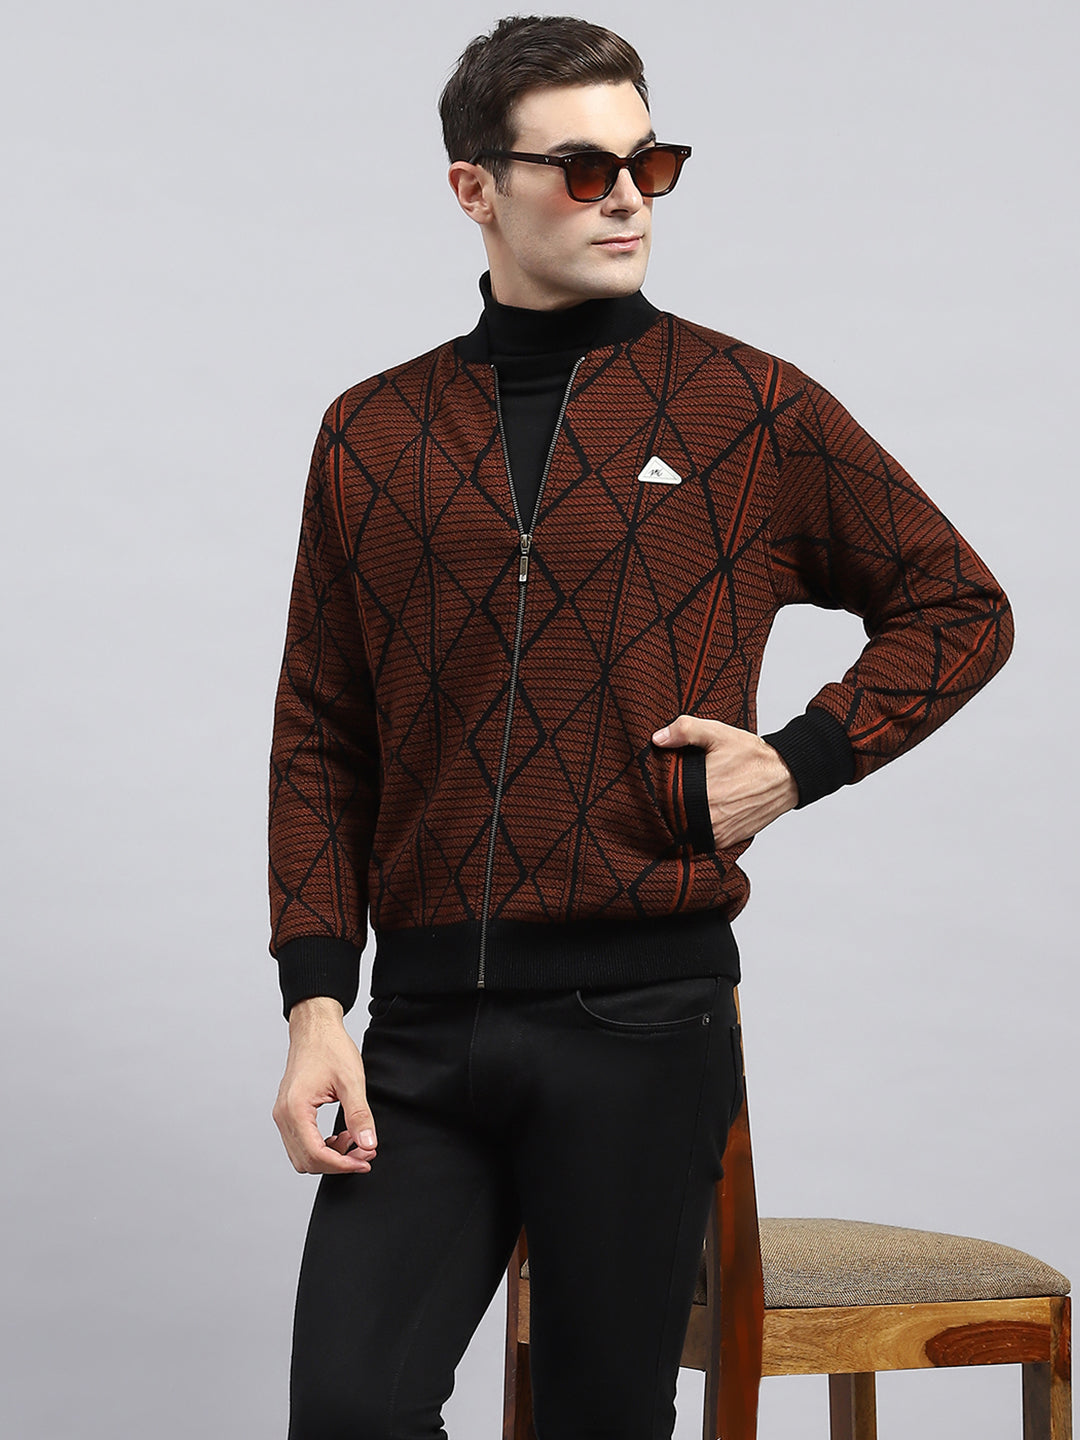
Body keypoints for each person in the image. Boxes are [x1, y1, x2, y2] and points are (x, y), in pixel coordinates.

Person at [267, 15, 1013, 1439]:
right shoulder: (372, 432)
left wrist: (798, 762)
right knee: (351, 1410)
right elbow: (320, 731)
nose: (626, 196)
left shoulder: (745, 407)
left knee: (601, 1423)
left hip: (639, 1020)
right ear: (474, 188)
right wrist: (315, 1006)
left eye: (649, 164)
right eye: (582, 167)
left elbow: (958, 605)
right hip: (418, 1028)